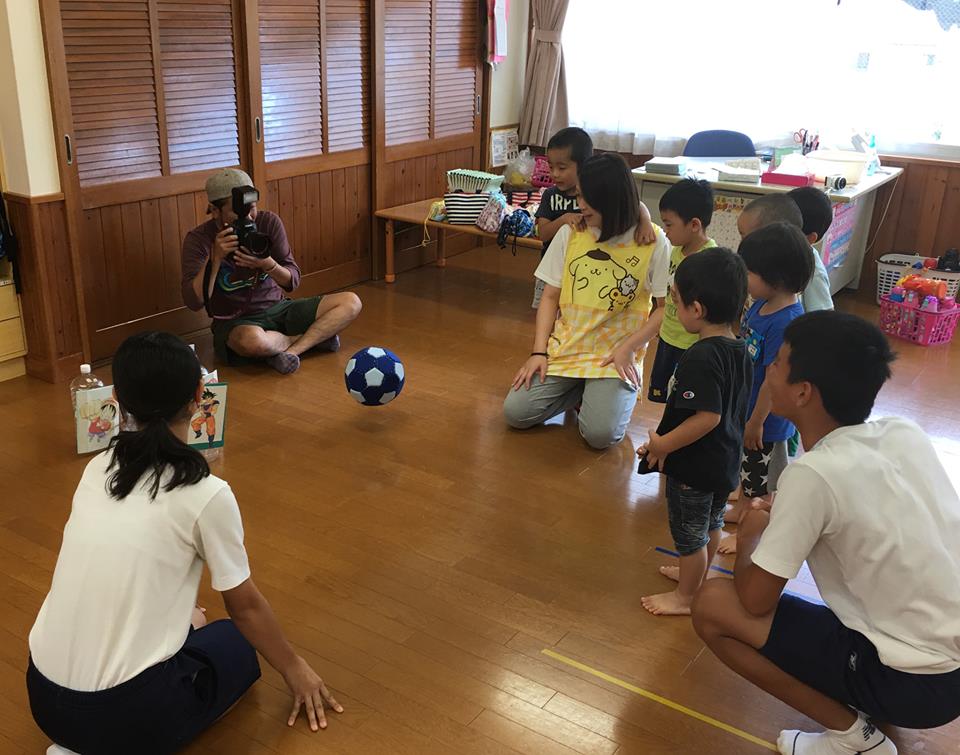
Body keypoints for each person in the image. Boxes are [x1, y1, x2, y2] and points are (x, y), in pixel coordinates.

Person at [27, 332, 342, 755]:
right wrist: (294, 667)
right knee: (234, 641)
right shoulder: (207, 494)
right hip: (123, 718)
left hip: (43, 698)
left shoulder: (97, 468)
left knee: (191, 624)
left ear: (116, 398)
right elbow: (245, 608)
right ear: (198, 396)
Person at [692, 311, 960, 755]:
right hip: (948, 668)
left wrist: (752, 533)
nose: (769, 368)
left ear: (803, 392)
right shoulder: (902, 431)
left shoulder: (814, 475)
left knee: (713, 604)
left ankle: (856, 739)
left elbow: (755, 601)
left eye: (778, 362)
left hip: (913, 686)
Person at [504, 153, 670, 449]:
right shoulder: (572, 232)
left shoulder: (652, 240)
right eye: (579, 195)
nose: (580, 205)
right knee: (516, 413)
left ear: (612, 200)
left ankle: (597, 393)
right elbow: (550, 296)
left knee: (600, 435)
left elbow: (663, 310)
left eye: (588, 199)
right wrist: (538, 352)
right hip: (569, 347)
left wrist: (628, 348)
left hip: (616, 354)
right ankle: (583, 390)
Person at [637, 248, 751, 616]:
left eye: (676, 301)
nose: (674, 307)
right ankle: (696, 577)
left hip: (696, 467)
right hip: (725, 460)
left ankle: (686, 597)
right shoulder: (740, 348)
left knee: (689, 536)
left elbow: (706, 418)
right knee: (711, 524)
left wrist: (662, 445)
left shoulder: (701, 356)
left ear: (697, 309)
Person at [181, 168, 362, 375]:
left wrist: (267, 264)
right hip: (237, 323)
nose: (248, 217)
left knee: (351, 302)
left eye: (252, 208)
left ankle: (291, 352)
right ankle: (312, 339)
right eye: (238, 212)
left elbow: (292, 281)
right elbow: (193, 301)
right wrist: (215, 259)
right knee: (252, 341)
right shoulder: (199, 240)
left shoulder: (268, 222)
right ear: (214, 210)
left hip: (280, 308)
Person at [718, 222, 813, 559]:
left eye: (749, 273)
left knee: (761, 480)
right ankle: (742, 505)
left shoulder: (786, 321)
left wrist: (757, 421)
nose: (744, 280)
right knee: (748, 468)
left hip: (767, 420)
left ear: (776, 277)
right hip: (748, 407)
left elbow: (775, 381)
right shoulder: (761, 304)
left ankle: (749, 529)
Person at [532, 128, 655, 307]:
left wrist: (645, 221)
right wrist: (564, 219)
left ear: (584, 166)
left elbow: (634, 204)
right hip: (554, 266)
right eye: (551, 167)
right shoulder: (550, 195)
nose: (555, 174)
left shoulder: (596, 194)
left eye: (562, 168)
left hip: (587, 266)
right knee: (548, 306)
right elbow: (542, 233)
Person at [646, 178, 716, 404]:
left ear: (694, 225)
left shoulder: (711, 258)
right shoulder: (675, 251)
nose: (665, 232)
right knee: (664, 394)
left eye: (669, 225)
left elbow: (711, 305)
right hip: (668, 336)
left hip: (690, 344)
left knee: (685, 398)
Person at [737, 194, 833, 314]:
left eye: (746, 237)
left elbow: (825, 315)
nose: (743, 243)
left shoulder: (812, 271)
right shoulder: (763, 269)